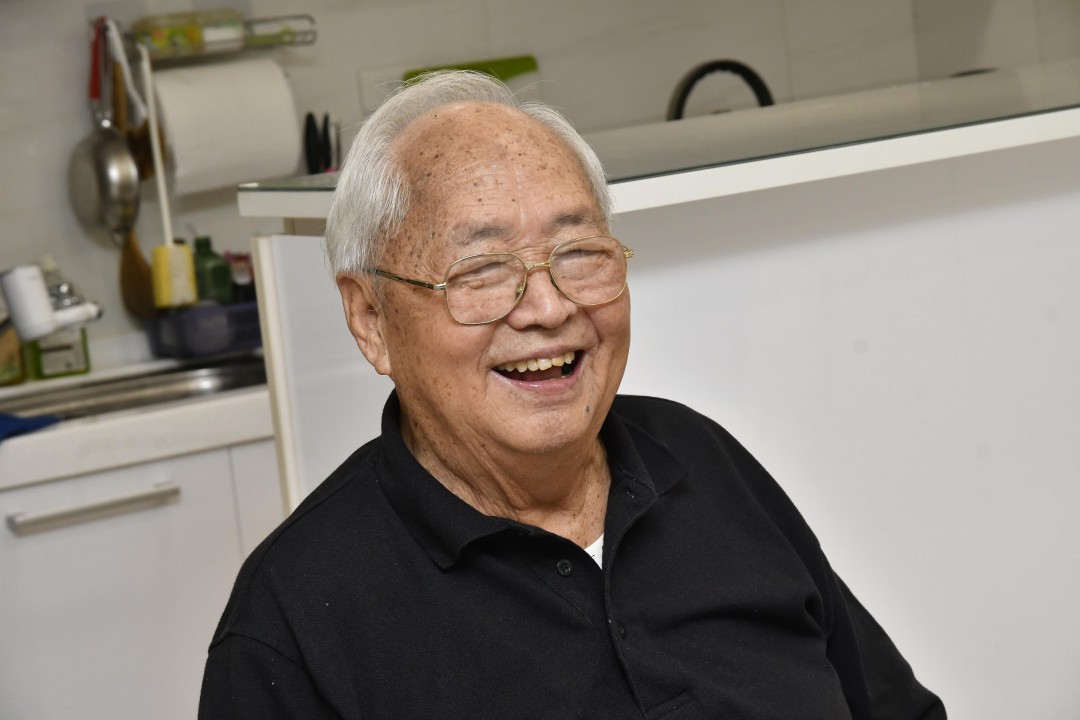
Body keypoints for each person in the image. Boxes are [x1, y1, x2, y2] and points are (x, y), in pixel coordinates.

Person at [198, 70, 946, 719]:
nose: (549, 308)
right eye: (481, 270)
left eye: (580, 252)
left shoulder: (701, 460)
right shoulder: (293, 623)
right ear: (371, 319)